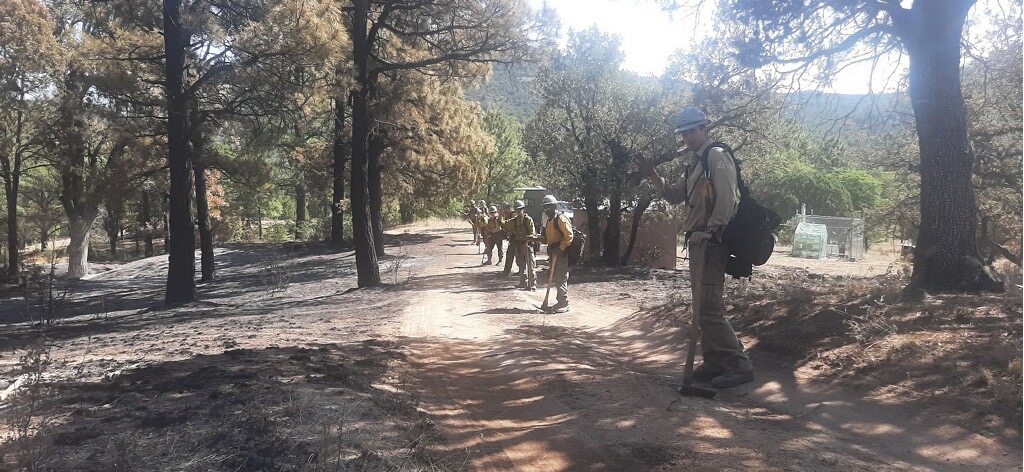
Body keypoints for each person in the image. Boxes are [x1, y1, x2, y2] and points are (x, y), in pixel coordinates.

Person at [636, 106, 754, 389]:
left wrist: (710, 231)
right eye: (684, 133)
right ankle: (714, 362)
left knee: (709, 306)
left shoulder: (716, 155)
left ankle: (738, 365)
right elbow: (675, 195)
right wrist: (653, 175)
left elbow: (727, 199)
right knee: (703, 306)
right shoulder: (695, 162)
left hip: (712, 241)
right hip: (699, 242)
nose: (687, 137)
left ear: (705, 129)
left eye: (692, 131)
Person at [531, 195, 573, 313]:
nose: (547, 210)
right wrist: (535, 239)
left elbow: (569, 236)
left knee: (561, 277)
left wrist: (560, 248)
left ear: (554, 207)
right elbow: (547, 239)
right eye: (545, 208)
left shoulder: (561, 219)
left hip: (562, 253)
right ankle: (560, 302)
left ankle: (564, 303)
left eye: (549, 207)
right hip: (553, 252)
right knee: (556, 277)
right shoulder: (549, 221)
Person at [510, 199, 537, 291]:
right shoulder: (515, 220)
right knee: (521, 265)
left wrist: (526, 243)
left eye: (520, 209)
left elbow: (532, 233)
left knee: (530, 265)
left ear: (523, 209)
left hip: (527, 244)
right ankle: (523, 282)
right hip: (519, 244)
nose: (518, 212)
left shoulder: (528, 220)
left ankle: (532, 284)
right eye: (516, 210)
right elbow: (506, 225)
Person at [500, 202, 519, 277]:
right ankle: (506, 271)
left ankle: (521, 271)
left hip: (517, 237)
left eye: (505, 210)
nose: (505, 212)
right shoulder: (506, 216)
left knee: (518, 255)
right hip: (512, 238)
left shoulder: (513, 215)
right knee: (509, 254)